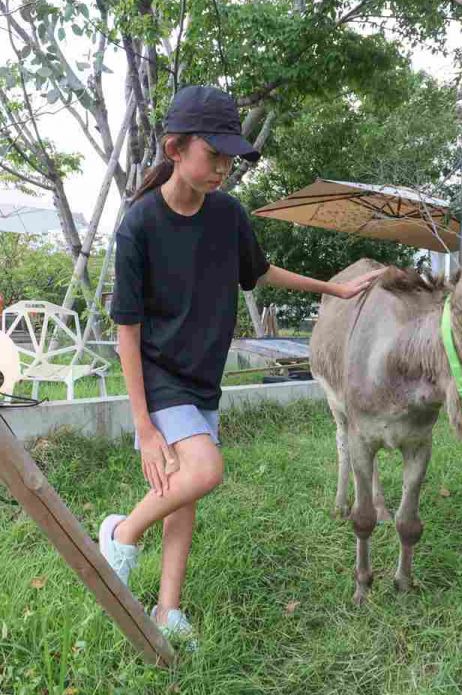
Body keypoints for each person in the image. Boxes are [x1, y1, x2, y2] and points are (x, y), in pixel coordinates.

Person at [98, 85, 383, 645]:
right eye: (215, 155)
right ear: (175, 148)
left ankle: (167, 610)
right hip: (158, 376)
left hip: (203, 378)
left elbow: (260, 272)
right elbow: (125, 330)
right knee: (205, 470)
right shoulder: (140, 225)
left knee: (187, 497)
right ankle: (121, 533)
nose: (225, 168)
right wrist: (144, 425)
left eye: (232, 157)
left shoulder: (227, 215)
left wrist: (335, 289)